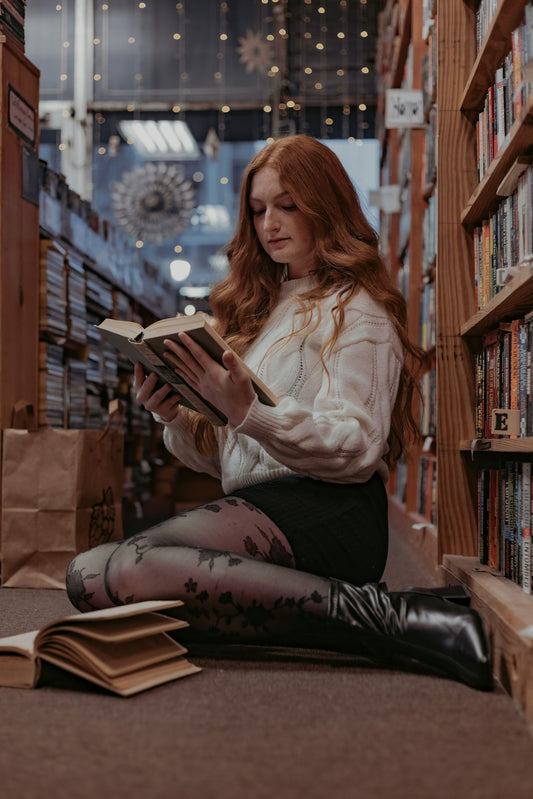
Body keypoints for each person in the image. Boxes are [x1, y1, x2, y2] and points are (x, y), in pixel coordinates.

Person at [66, 135, 492, 691]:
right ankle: (344, 613)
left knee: (131, 568)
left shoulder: (356, 312)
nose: (270, 223)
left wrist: (249, 412)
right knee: (88, 577)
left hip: (328, 511)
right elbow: (229, 460)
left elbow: (356, 449)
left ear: (326, 205)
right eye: (259, 209)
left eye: (287, 205)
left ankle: (397, 621)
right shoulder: (261, 314)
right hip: (262, 505)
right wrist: (175, 415)